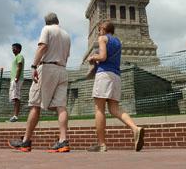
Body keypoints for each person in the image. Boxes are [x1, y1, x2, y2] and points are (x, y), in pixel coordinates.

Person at [8, 13, 71, 153]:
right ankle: (63, 141)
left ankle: (26, 141)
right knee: (61, 106)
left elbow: (42, 47)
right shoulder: (66, 35)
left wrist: (34, 66)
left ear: (46, 22)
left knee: (35, 104)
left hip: (47, 68)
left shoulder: (46, 29)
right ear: (58, 21)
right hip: (62, 69)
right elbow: (67, 55)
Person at [86, 20, 145, 152]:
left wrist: (93, 57)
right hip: (116, 76)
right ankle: (135, 128)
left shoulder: (103, 38)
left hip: (104, 75)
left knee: (99, 109)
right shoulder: (118, 42)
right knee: (114, 108)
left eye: (99, 29)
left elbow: (102, 56)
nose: (98, 32)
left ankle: (101, 144)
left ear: (104, 29)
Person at [9, 43, 24, 122]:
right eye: (12, 48)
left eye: (14, 48)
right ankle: (14, 116)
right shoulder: (16, 57)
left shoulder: (19, 56)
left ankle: (15, 116)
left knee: (16, 97)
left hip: (17, 80)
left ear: (19, 49)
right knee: (15, 98)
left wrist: (16, 78)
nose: (13, 49)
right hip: (15, 80)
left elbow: (19, 67)